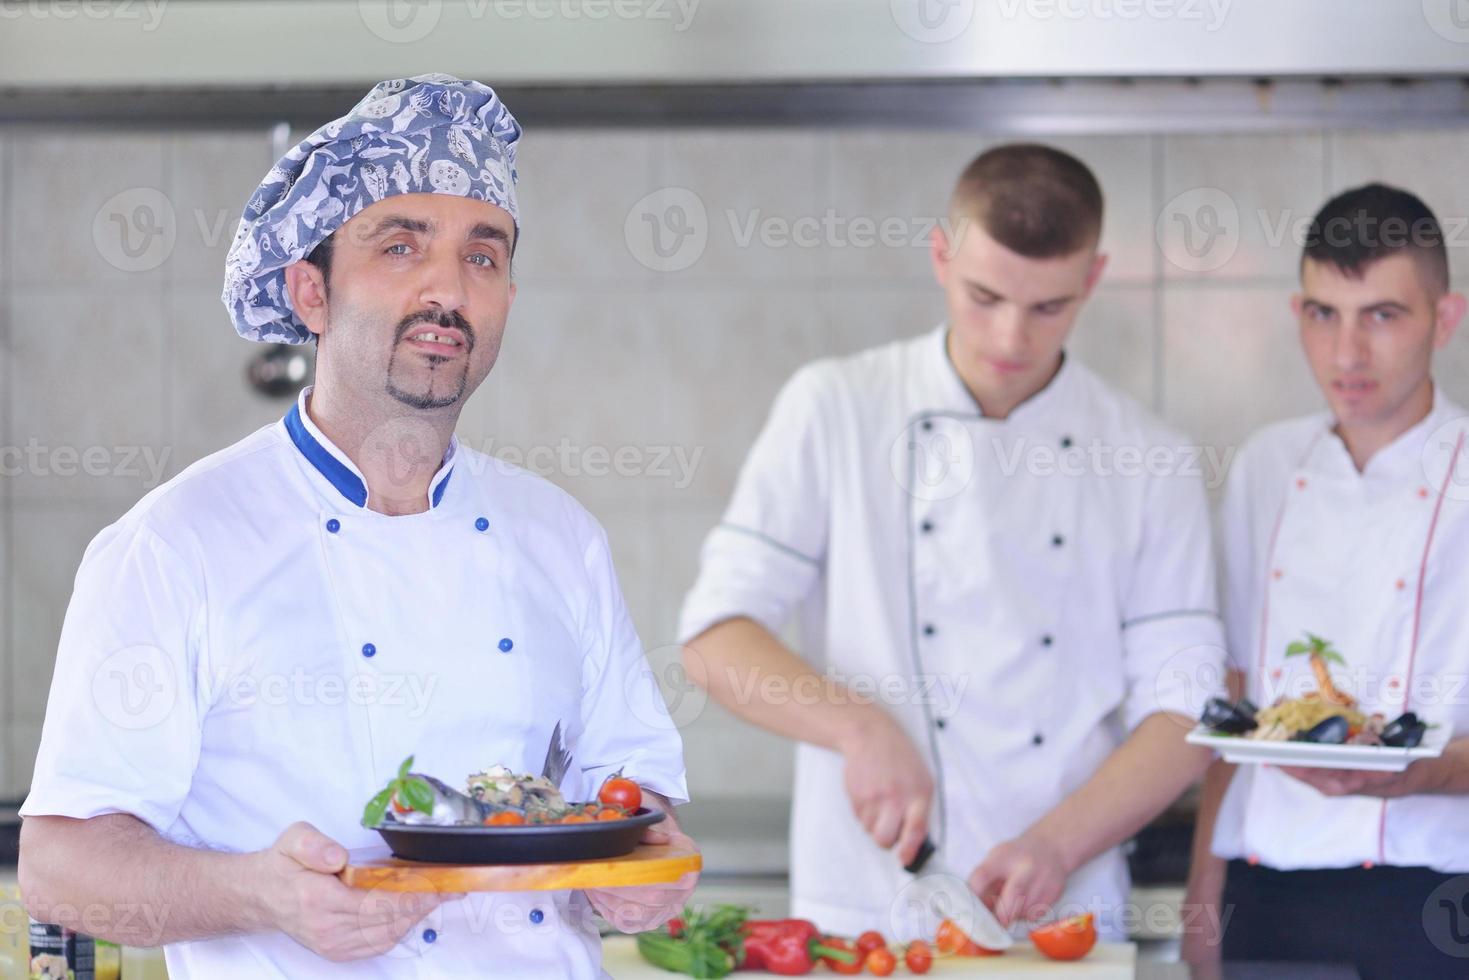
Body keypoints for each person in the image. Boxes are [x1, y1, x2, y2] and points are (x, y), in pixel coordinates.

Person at [18, 74, 696, 978]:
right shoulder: (175, 545)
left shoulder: (559, 535)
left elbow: (633, 795)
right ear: (310, 292)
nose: (447, 290)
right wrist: (259, 894)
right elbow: (60, 871)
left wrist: (644, 868)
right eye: (400, 248)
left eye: (482, 256)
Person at [676, 143, 1224, 939]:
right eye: (984, 295)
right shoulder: (837, 407)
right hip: (866, 912)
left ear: (1093, 280)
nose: (1009, 338)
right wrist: (855, 728)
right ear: (940, 254)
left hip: (1060, 909)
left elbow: (1183, 712)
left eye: (1048, 308)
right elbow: (713, 640)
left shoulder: (1150, 458)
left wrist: (1055, 843)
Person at [1183, 183, 1469, 979]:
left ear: (1445, 319)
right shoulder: (1265, 467)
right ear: (1296, 315)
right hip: (1269, 890)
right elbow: (1233, 703)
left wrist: (1431, 771)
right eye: (1323, 314)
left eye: (1381, 315)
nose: (1346, 355)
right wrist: (1204, 894)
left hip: (1439, 894)